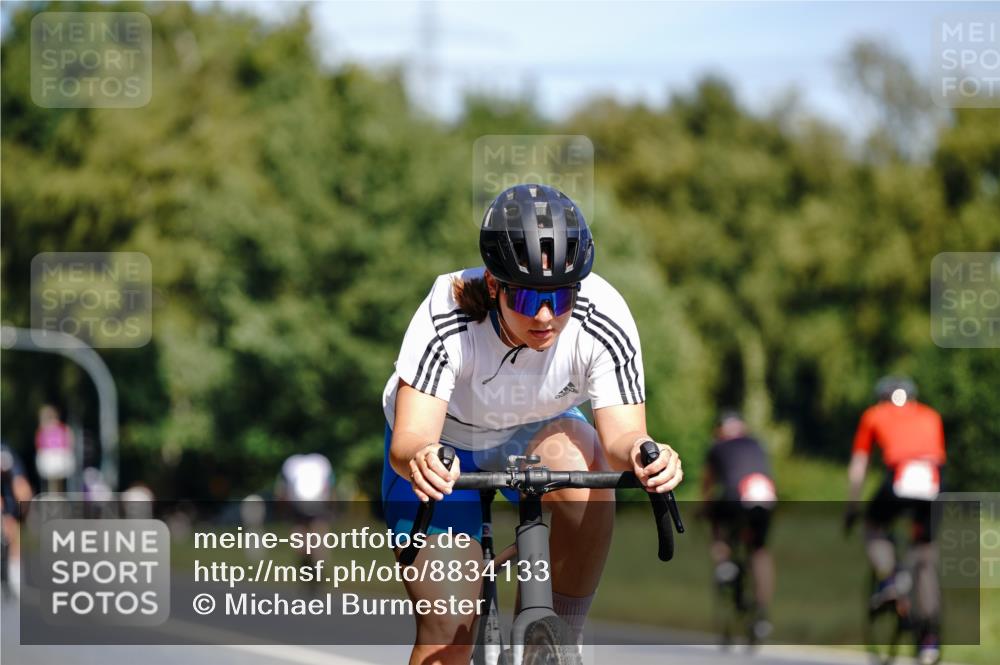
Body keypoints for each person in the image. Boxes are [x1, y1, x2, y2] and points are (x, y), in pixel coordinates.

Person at [381, 183, 683, 664]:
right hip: (444, 447)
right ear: (495, 284)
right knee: (448, 637)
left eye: (561, 298)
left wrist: (652, 456)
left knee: (585, 461)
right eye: (526, 300)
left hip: (535, 433)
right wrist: (422, 458)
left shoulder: (603, 315)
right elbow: (411, 438)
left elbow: (623, 437)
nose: (545, 316)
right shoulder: (449, 311)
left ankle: (558, 641)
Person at [846, 376, 946, 665]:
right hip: (934, 481)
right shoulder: (931, 415)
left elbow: (859, 464)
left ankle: (890, 578)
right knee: (925, 552)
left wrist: (852, 505)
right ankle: (929, 640)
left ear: (881, 398)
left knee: (873, 525)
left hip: (899, 478)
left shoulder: (874, 414)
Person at [701, 410, 776, 641]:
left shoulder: (717, 447)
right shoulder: (757, 443)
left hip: (733, 495)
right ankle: (762, 614)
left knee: (716, 522)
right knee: (759, 551)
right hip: (765, 495)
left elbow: (708, 485)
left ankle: (724, 563)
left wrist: (702, 508)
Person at [1, 442, 34, 599]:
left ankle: (15, 580)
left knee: (14, 534)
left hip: (9, 501)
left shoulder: (6, 452)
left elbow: (21, 486)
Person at [34, 405, 74, 493]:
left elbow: (69, 442)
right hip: (49, 460)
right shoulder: (43, 431)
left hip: (59, 459)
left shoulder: (62, 428)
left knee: (58, 483)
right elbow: (39, 446)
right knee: (52, 483)